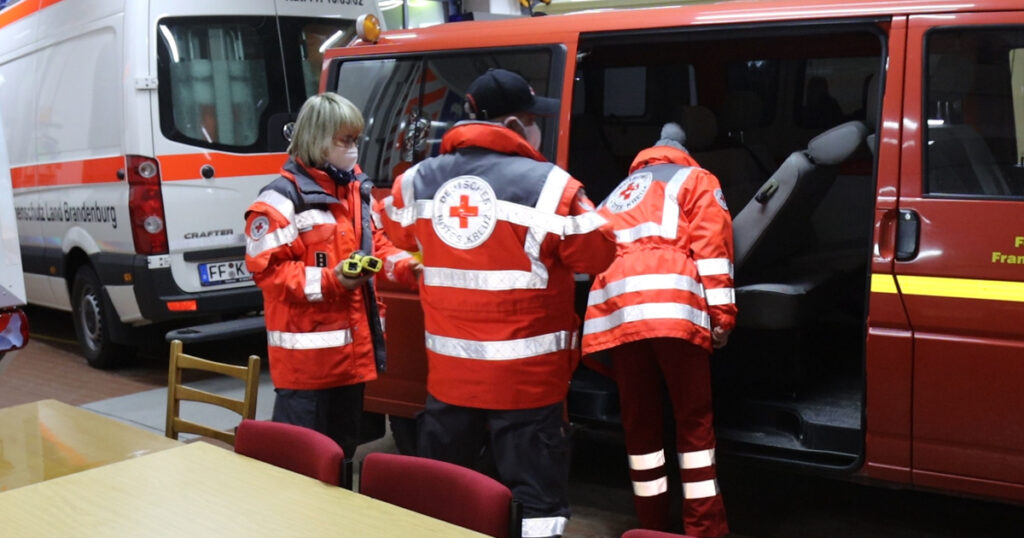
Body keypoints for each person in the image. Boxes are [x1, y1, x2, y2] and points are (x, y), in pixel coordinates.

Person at [379, 68, 616, 538]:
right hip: (526, 383)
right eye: (531, 117)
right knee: (537, 504)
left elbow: (389, 233)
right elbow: (599, 250)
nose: (536, 127)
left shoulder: (415, 181)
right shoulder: (550, 186)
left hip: (449, 379)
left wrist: (428, 257)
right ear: (513, 124)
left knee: (448, 494)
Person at [244, 93, 419, 462]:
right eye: (345, 140)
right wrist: (332, 280)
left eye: (356, 140)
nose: (353, 149)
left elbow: (378, 245)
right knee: (298, 468)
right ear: (317, 138)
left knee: (340, 460)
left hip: (350, 362)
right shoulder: (278, 202)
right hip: (305, 373)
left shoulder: (356, 191)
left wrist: (406, 267)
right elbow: (270, 274)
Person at [582, 123, 736, 537]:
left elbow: (592, 248)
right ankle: (703, 530)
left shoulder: (622, 189)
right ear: (684, 152)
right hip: (673, 312)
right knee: (694, 424)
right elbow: (712, 250)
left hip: (619, 317)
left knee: (641, 426)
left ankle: (650, 526)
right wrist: (722, 316)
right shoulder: (697, 179)